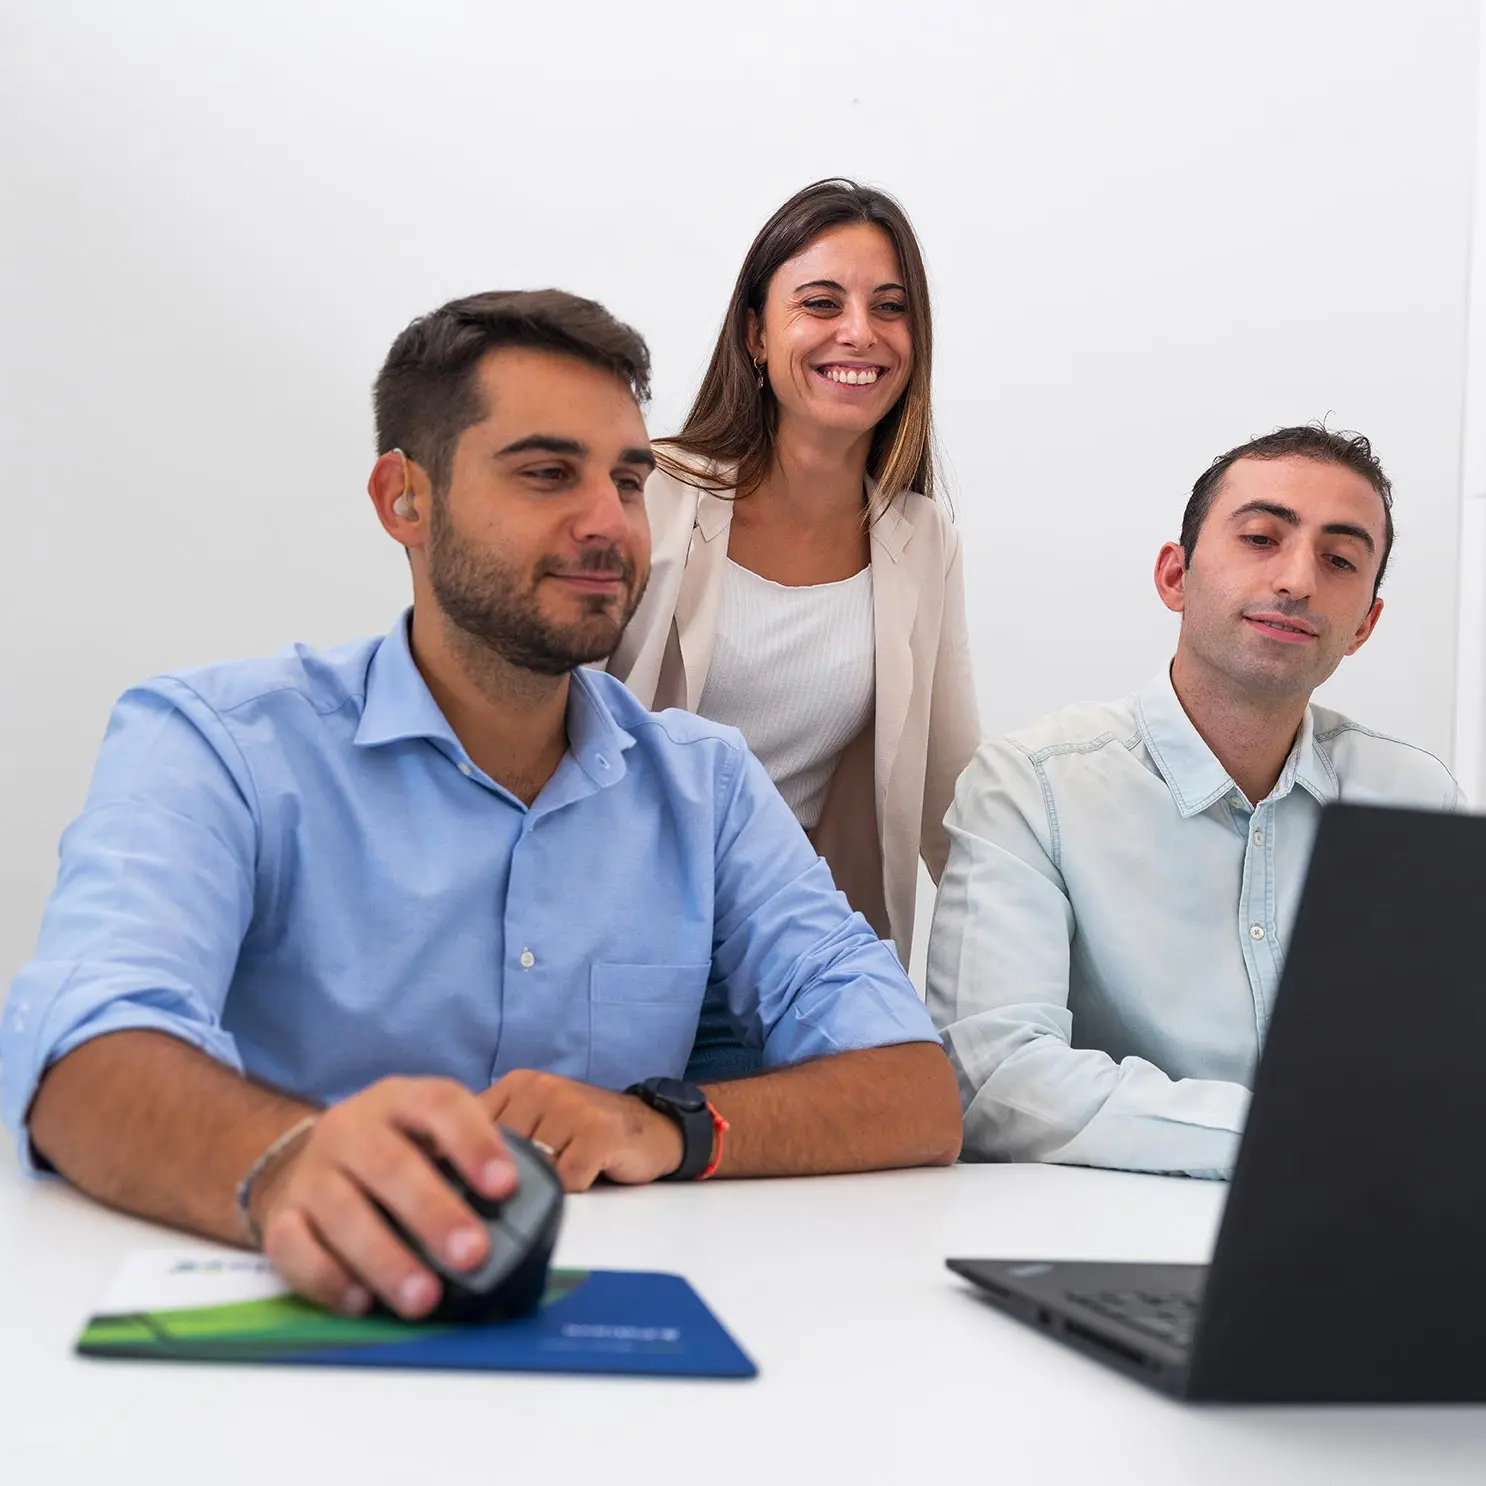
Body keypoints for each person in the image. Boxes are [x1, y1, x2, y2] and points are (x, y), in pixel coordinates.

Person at [1, 289, 961, 1323]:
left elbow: (913, 1088)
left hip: (591, 1349)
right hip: (280, 1320)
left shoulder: (706, 783)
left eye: (628, 481)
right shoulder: (212, 743)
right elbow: (79, 1053)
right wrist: (289, 1162)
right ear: (403, 499)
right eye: (547, 473)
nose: (609, 523)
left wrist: (674, 1123)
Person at [927, 424, 1461, 1180]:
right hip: (1103, 1239)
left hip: (1358, 1239)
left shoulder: (1413, 800)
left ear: (1364, 626)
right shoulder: (1032, 785)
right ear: (1175, 577)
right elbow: (995, 1082)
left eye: (1339, 560)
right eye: (1260, 539)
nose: (1298, 580)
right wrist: (1298, 1139)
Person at [608, 179, 980, 1079]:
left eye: (891, 309)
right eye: (821, 303)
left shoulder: (920, 538)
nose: (860, 332)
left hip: (780, 954)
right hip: (615, 938)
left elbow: (953, 799)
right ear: (755, 334)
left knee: (910, 1110)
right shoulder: (648, 490)